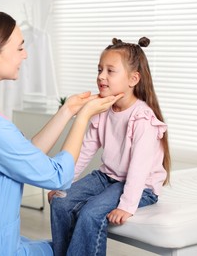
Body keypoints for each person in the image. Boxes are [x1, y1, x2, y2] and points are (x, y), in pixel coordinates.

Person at [0, 9, 122, 256]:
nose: (25, 55)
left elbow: (24, 155)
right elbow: (58, 176)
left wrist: (66, 111)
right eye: (19, 48)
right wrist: (83, 118)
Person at [49, 37, 171, 256]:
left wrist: (127, 205)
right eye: (99, 70)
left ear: (133, 79)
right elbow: (84, 151)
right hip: (107, 177)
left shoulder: (142, 118)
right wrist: (63, 183)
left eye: (110, 71)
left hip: (140, 186)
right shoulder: (104, 110)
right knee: (60, 202)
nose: (101, 76)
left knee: (90, 213)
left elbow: (139, 168)